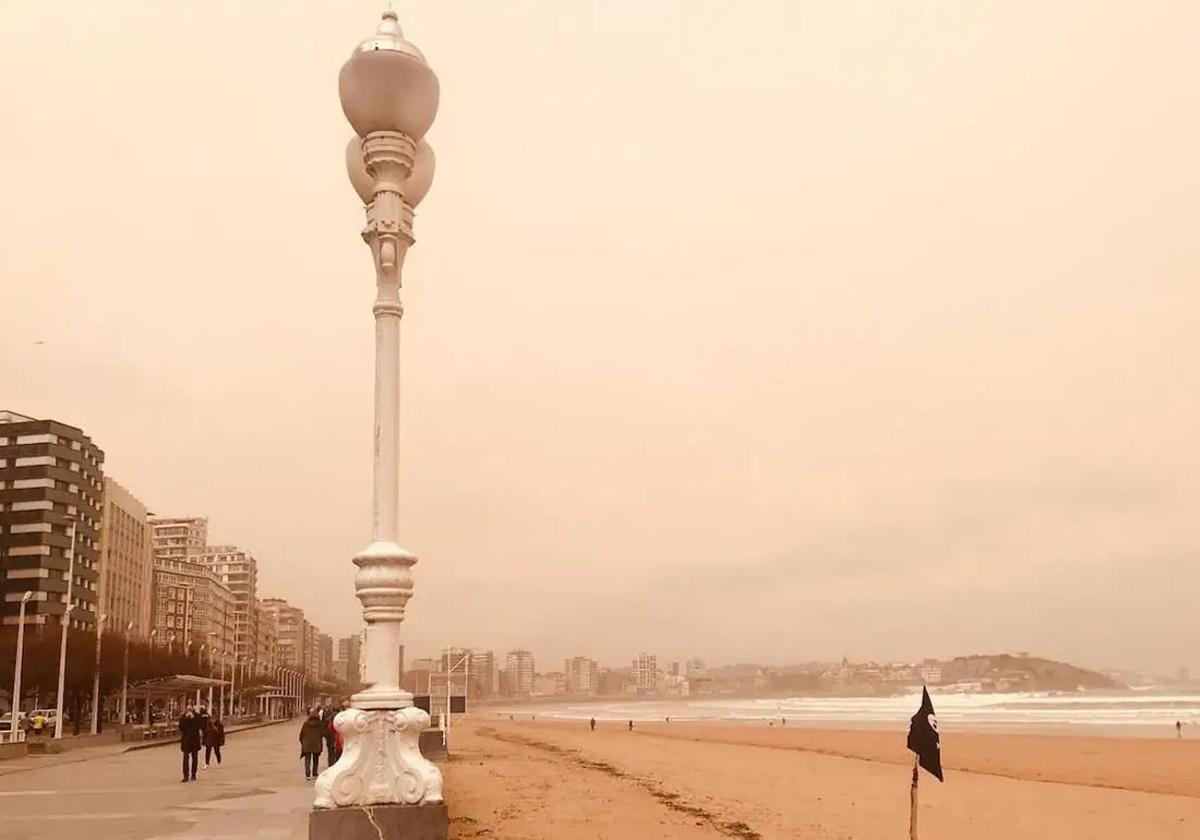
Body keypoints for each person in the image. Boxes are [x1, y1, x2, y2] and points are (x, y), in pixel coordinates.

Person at [300, 709, 326, 781]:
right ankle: (314, 773)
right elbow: (323, 733)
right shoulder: (320, 724)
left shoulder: (306, 724)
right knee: (315, 759)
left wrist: (303, 742)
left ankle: (308, 775)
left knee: (307, 759)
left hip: (307, 744)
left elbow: (301, 734)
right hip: (316, 744)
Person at [179, 706, 202, 783]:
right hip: (186, 741)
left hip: (194, 740)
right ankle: (185, 776)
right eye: (188, 709)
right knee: (185, 758)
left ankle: (193, 774)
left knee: (194, 758)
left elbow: (199, 726)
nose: (189, 710)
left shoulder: (197, 716)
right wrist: (186, 719)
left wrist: (193, 718)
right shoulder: (183, 717)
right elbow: (181, 727)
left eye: (190, 708)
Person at [320, 699, 338, 769]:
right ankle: (333, 762)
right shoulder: (336, 722)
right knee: (334, 751)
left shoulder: (327, 720)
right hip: (334, 738)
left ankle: (330, 763)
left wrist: (324, 735)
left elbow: (324, 727)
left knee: (330, 751)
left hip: (329, 737)